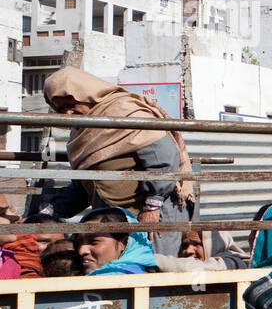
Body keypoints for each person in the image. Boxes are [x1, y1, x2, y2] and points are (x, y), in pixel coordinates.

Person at [40, 67, 195, 256]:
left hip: (152, 211)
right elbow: (82, 189)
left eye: (71, 104)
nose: (68, 113)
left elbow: (163, 157)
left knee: (154, 266)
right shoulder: (82, 131)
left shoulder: (125, 111)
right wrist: (46, 213)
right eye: (61, 109)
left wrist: (152, 206)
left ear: (86, 94)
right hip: (111, 218)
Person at [77, 207, 157, 275]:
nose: (81, 251)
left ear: (124, 243)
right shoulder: (143, 274)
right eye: (78, 243)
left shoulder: (109, 278)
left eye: (94, 242)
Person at [154, 227, 250, 272]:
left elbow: (196, 268)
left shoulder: (234, 262)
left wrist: (153, 260)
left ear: (216, 245)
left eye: (197, 244)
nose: (188, 251)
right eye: (184, 245)